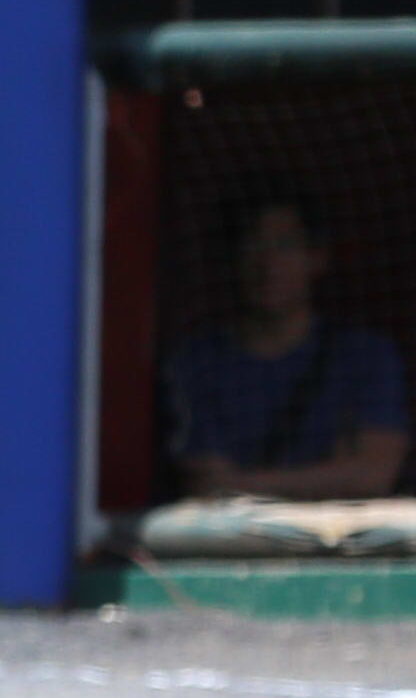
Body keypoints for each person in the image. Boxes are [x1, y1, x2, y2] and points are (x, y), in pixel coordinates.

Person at [167, 192, 410, 504]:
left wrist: (240, 483)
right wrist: (333, 475)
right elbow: (206, 483)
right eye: (253, 244)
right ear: (231, 258)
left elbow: (372, 476)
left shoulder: (365, 357)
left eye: (285, 245)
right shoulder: (195, 363)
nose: (269, 265)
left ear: (316, 258)